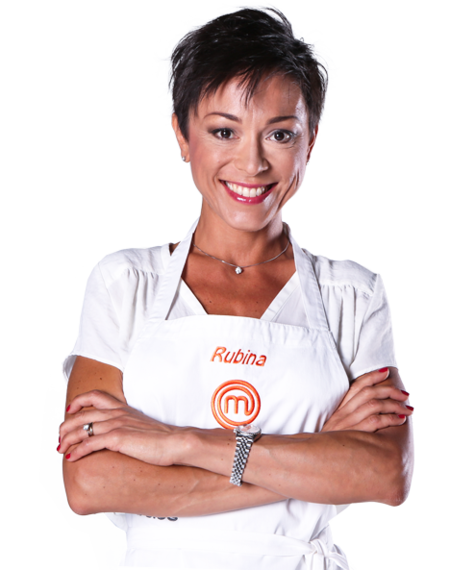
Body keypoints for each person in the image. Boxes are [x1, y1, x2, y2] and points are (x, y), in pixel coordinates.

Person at [58, 5, 415, 569]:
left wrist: (180, 444)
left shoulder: (354, 294)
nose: (251, 163)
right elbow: (90, 483)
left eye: (280, 134)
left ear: (311, 142)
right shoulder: (125, 283)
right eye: (223, 131)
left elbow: (386, 475)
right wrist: (312, 463)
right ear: (182, 134)